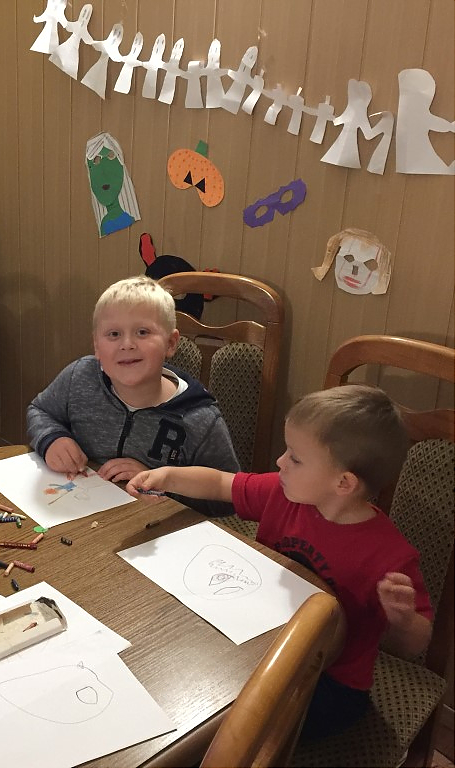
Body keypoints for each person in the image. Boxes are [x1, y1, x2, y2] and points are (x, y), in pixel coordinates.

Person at [126, 384, 433, 741]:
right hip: (258, 640)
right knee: (175, 660)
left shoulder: (389, 556)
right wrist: (168, 476)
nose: (280, 462)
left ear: (343, 483)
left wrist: (403, 618)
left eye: (295, 458)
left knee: (219, 727)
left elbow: (414, 645)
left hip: (329, 681)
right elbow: (222, 483)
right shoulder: (285, 493)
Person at [26, 275, 239, 515]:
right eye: (114, 334)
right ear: (97, 346)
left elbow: (229, 498)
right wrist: (52, 438)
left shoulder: (201, 420)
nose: (127, 344)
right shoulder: (79, 377)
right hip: (76, 514)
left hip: (154, 529)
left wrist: (164, 484)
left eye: (142, 332)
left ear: (171, 343)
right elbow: (40, 410)